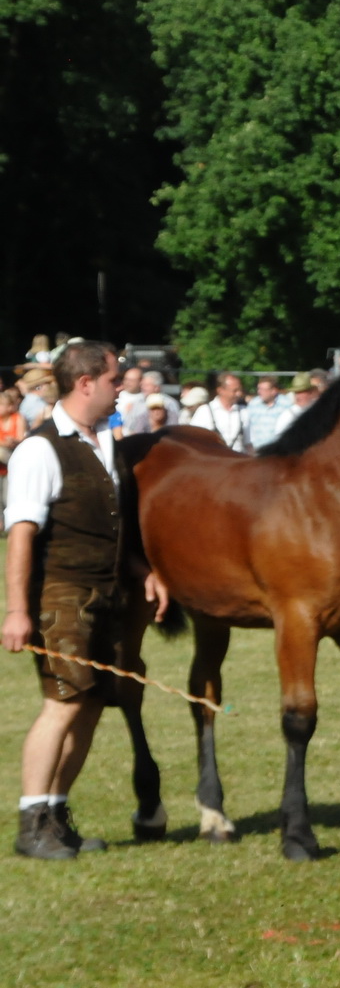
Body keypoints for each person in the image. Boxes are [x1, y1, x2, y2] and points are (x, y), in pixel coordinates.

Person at [2, 341, 166, 859]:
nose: (123, 388)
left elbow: (106, 528)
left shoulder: (104, 443)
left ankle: (54, 815)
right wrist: (17, 611)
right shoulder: (39, 449)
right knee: (61, 705)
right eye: (116, 379)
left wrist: (143, 571)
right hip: (61, 597)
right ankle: (32, 825)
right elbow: (22, 535)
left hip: (108, 596)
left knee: (92, 704)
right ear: (86, 382)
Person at [189, 372, 248, 453]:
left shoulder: (244, 411)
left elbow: (248, 443)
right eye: (235, 391)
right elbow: (192, 439)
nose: (239, 394)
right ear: (220, 391)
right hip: (213, 460)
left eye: (240, 390)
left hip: (238, 460)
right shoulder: (204, 411)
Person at [244, 375, 290, 450]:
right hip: (257, 450)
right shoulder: (253, 404)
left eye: (263, 389)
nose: (259, 392)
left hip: (278, 450)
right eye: (259, 389)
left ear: (274, 391)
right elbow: (247, 428)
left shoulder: (286, 404)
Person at [0, 388, 27, 505]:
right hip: (3, 460)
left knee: (7, 498)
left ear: (10, 406)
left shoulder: (18, 418)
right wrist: (4, 443)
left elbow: (21, 439)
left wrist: (14, 441)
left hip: (13, 455)